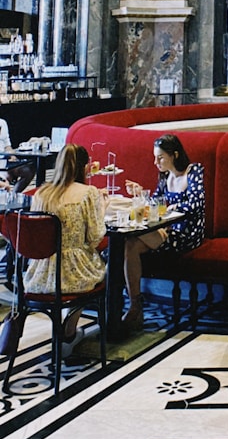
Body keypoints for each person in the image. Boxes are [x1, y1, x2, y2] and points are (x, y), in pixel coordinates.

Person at [24, 144, 107, 357]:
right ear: (84, 167)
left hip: (39, 274)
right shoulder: (88, 193)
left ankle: (63, 331)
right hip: (75, 274)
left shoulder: (41, 193)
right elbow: (96, 237)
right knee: (101, 268)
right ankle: (69, 331)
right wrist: (103, 209)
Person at [123, 135, 205, 333]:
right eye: (155, 158)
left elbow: (196, 204)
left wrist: (172, 209)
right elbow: (157, 206)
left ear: (174, 155)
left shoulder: (193, 171)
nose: (155, 162)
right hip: (166, 230)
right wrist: (141, 193)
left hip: (187, 233)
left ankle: (134, 306)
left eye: (160, 158)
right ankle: (134, 305)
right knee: (129, 244)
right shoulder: (164, 175)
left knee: (129, 242)